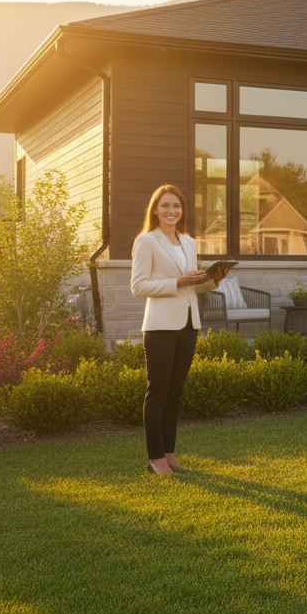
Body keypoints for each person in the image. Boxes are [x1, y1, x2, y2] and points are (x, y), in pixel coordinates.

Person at [130, 184, 222, 476]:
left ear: (182, 210)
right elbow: (138, 286)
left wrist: (212, 281)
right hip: (159, 326)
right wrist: (178, 282)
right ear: (155, 209)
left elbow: (192, 286)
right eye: (165, 206)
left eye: (177, 206)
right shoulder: (146, 241)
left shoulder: (189, 243)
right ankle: (154, 457)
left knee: (175, 393)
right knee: (157, 393)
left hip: (188, 323)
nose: (172, 211)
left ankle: (169, 453)